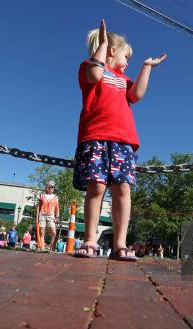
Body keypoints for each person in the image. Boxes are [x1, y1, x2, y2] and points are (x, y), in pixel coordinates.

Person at [72, 19, 167, 261]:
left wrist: (146, 67)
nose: (128, 64)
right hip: (95, 137)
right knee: (96, 187)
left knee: (123, 190)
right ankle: (90, 241)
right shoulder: (90, 68)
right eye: (127, 58)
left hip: (123, 141)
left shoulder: (124, 80)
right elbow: (95, 74)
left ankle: (120, 244)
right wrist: (103, 44)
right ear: (113, 51)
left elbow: (136, 94)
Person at [36, 181, 60, 251]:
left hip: (51, 216)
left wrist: (57, 217)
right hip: (42, 215)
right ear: (47, 187)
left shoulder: (55, 197)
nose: (52, 188)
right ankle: (42, 248)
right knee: (42, 232)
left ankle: (51, 247)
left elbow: (57, 208)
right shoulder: (42, 196)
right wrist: (37, 217)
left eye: (53, 187)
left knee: (53, 232)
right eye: (51, 187)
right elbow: (38, 207)